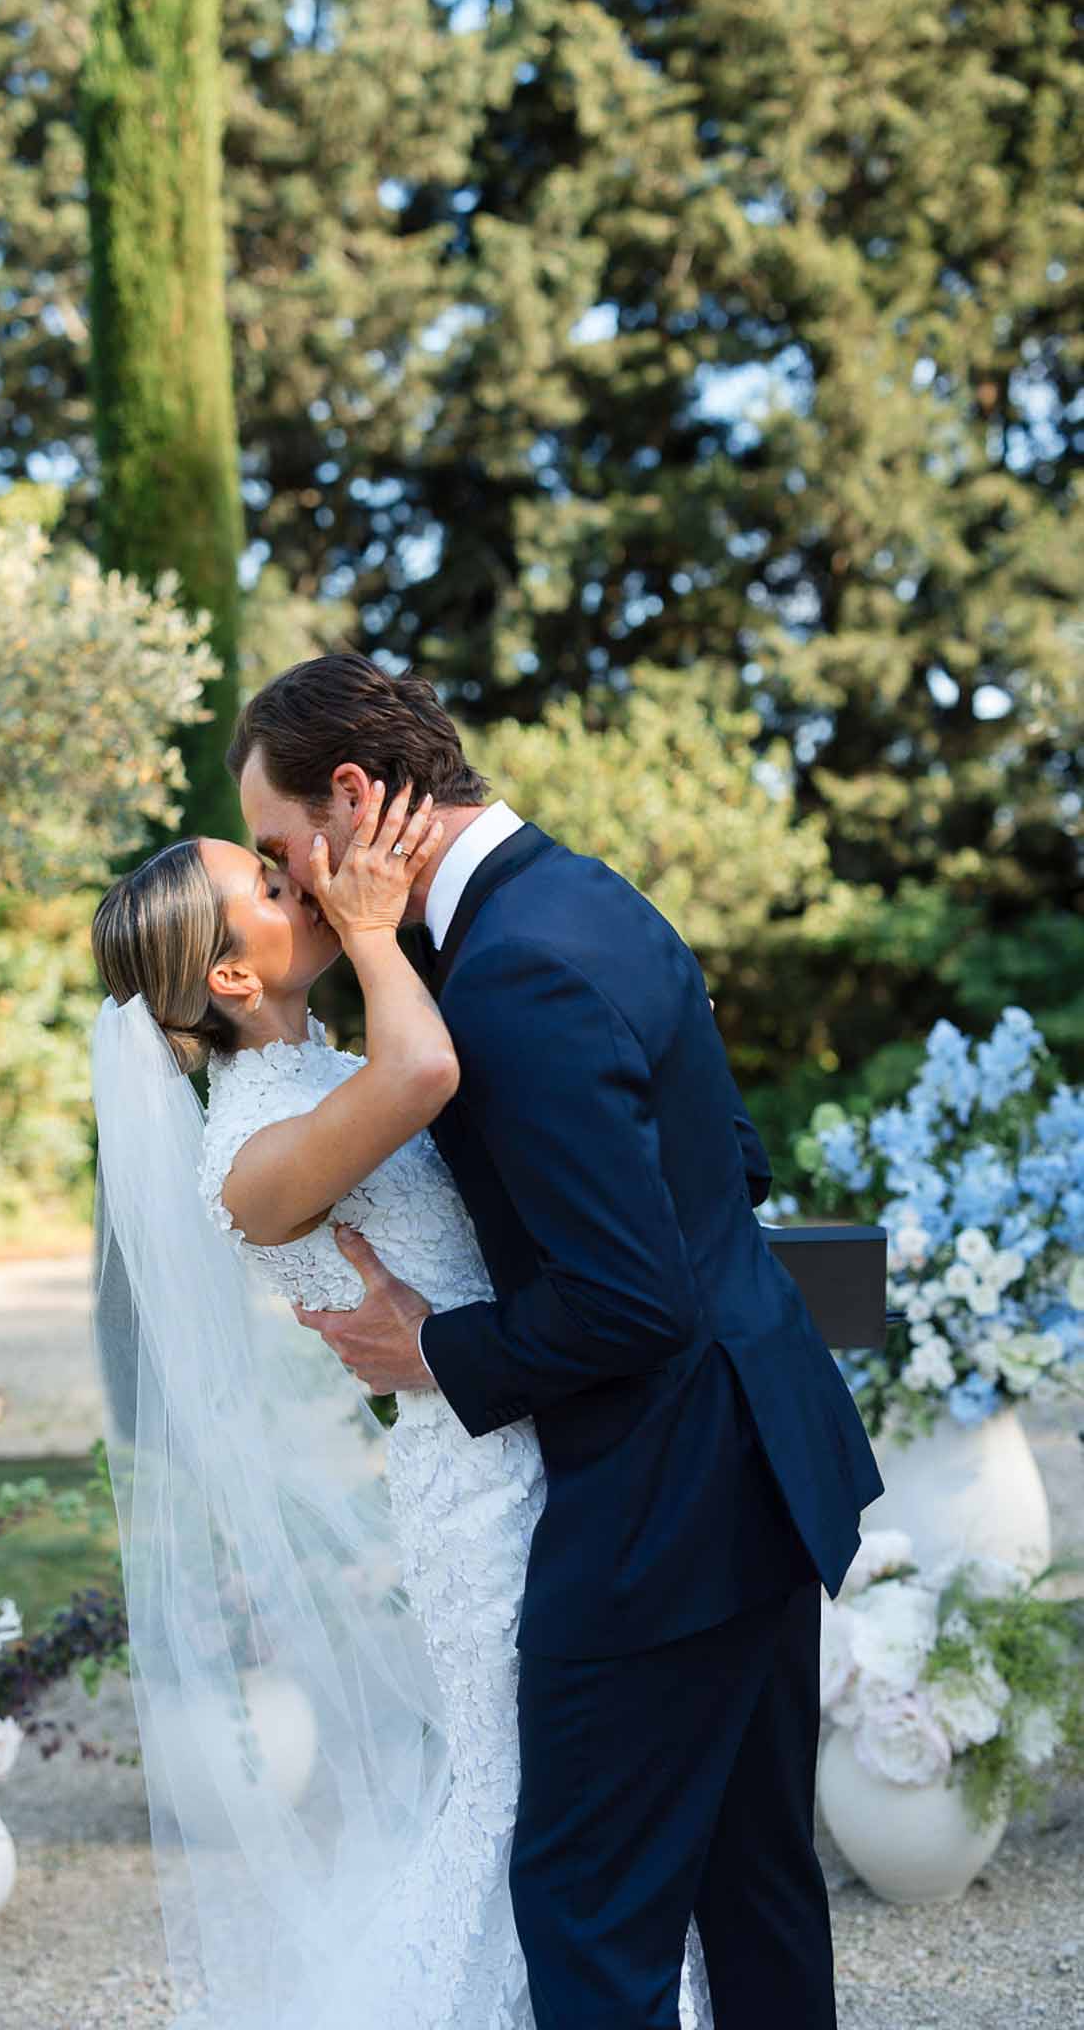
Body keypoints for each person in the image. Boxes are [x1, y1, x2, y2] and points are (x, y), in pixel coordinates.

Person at [227, 651, 885, 2030]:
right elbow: (729, 1155)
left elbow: (633, 1297)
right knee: (753, 1889)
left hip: (662, 1507)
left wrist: (441, 1348)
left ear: (350, 798)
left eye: (284, 848)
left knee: (587, 1918)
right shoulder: (580, 893)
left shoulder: (510, 972)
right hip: (755, 1460)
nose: (285, 880)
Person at [90, 774, 711, 2027]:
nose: (301, 874)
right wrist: (374, 927)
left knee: (585, 1789)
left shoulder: (319, 1057)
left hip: (541, 1413)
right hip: (481, 1484)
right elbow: (423, 1069)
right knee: (531, 1791)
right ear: (227, 978)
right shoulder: (252, 1154)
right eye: (266, 883)